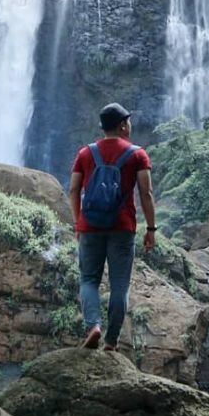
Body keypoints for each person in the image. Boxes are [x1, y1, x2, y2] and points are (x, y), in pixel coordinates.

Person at [68, 101, 157, 352]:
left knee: (88, 280)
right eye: (127, 120)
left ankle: (93, 325)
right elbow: (146, 193)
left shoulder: (85, 154)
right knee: (119, 285)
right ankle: (111, 341)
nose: (130, 124)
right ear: (122, 125)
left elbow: (74, 190)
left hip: (90, 226)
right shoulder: (138, 154)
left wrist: (78, 222)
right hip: (123, 227)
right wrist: (151, 229)